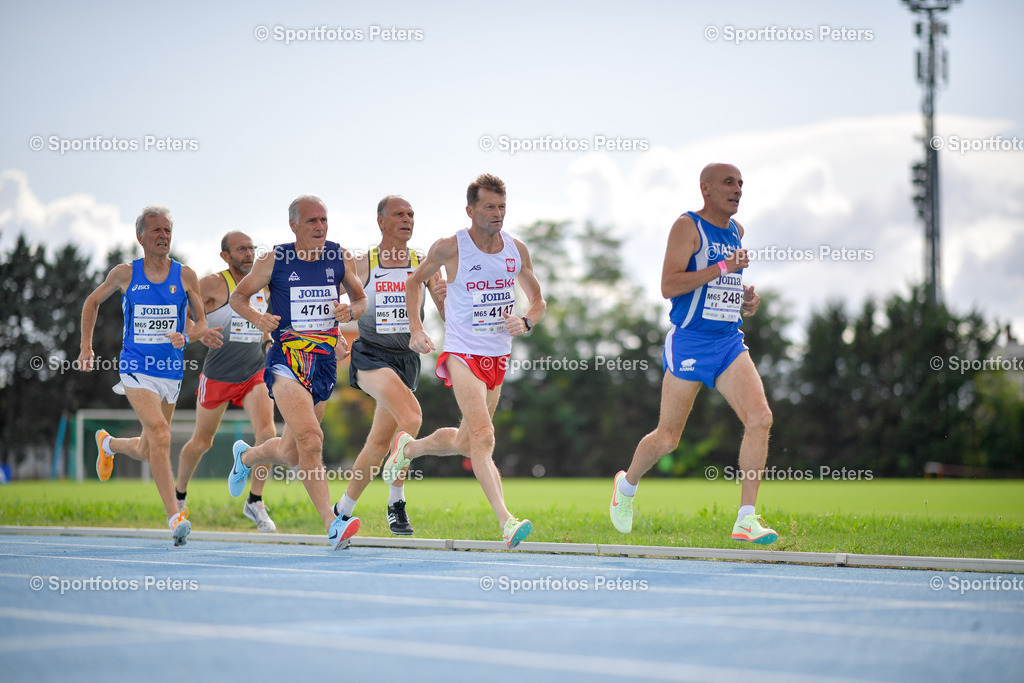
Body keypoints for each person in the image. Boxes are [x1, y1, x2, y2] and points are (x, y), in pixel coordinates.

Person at [608, 163, 778, 544]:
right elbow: (669, 285)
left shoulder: (737, 230)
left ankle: (746, 519)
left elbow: (722, 285)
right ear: (706, 189)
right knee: (668, 438)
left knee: (760, 418)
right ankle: (627, 485)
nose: (737, 190)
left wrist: (744, 300)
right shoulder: (687, 226)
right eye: (729, 183)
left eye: (741, 184)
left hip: (728, 342)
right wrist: (722, 267)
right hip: (690, 342)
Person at [381, 173, 546, 550]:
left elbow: (538, 300)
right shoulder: (449, 248)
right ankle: (507, 522)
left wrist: (526, 320)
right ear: (470, 209)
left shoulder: (516, 250)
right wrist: (416, 328)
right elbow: (412, 282)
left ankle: (408, 449)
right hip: (462, 353)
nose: (497, 213)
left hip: (498, 356)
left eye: (502, 206)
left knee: (463, 441)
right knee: (484, 439)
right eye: (489, 206)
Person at [226, 194, 368, 551]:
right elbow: (238, 298)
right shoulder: (274, 258)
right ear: (294, 226)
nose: (320, 227)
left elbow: (362, 300)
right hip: (286, 361)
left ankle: (247, 456)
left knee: (292, 453)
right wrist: (259, 318)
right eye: (311, 221)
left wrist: (349, 313)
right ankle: (332, 524)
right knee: (311, 439)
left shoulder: (339, 255)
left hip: (323, 365)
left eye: (323, 220)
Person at [78, 205, 208, 547]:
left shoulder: (185, 276)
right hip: (136, 368)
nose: (163, 236)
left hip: (171, 371)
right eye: (156, 231)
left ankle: (108, 444)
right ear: (140, 237)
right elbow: (92, 302)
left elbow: (202, 323)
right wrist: (86, 348)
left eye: (167, 230)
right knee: (162, 435)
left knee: (151, 448)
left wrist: (189, 336)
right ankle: (175, 515)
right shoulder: (124, 274)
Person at [330, 196, 446, 535]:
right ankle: (396, 502)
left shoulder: (423, 262)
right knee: (411, 417)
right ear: (381, 222)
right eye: (399, 214)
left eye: (411, 214)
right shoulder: (362, 263)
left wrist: (447, 297)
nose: (407, 219)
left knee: (382, 443)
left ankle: (342, 509)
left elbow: (444, 308)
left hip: (407, 361)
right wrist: (335, 333)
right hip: (370, 356)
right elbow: (328, 295)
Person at [174, 231, 278, 532]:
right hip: (218, 376)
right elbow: (179, 313)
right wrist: (199, 329)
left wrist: (269, 341)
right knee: (201, 442)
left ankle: (255, 501)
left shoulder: (261, 283)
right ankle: (178, 498)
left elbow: (268, 318)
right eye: (241, 249)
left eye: (251, 248)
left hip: (253, 373)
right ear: (225, 256)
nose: (248, 254)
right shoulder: (213, 284)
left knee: (268, 434)